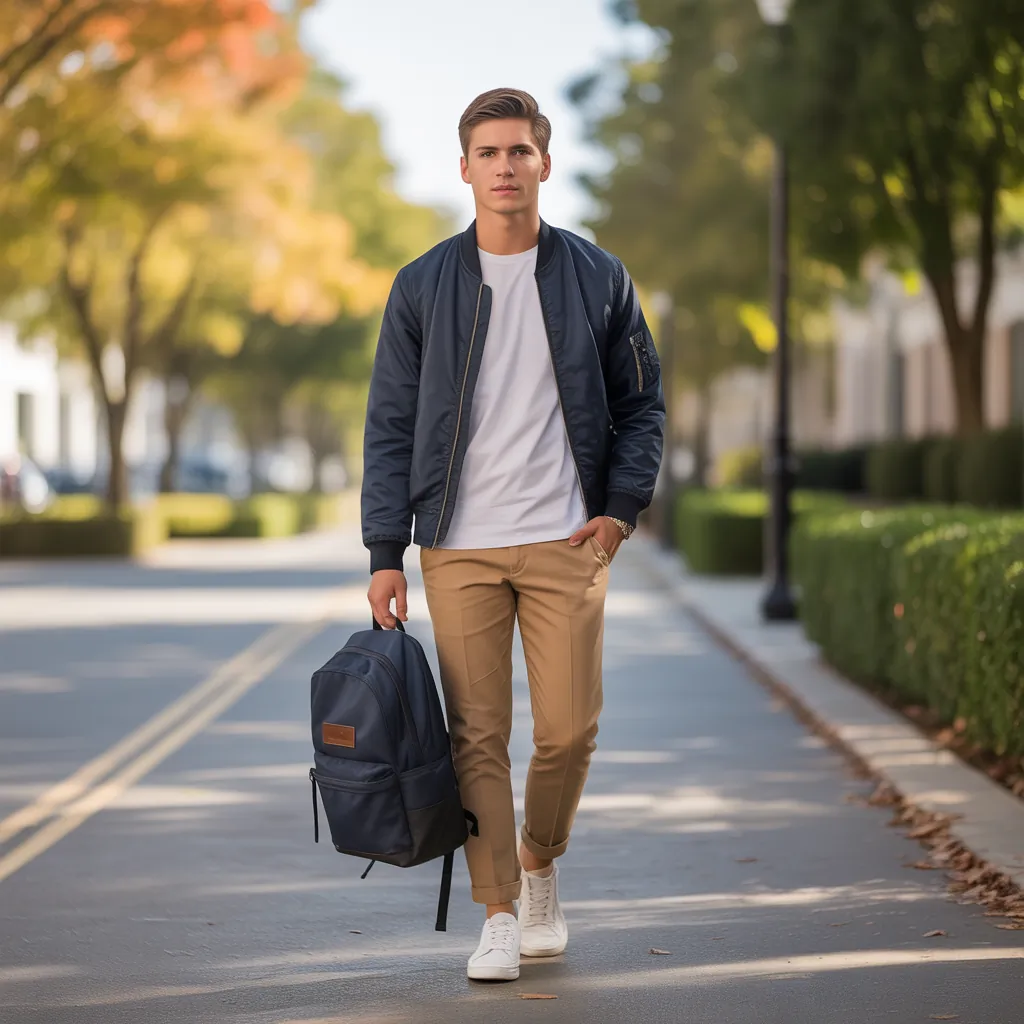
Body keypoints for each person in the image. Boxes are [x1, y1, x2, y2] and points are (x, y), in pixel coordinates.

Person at [362, 88, 665, 981]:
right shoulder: (421, 285)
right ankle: (498, 911)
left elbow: (642, 402)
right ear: (465, 168)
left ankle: (539, 861)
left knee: (568, 733)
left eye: (519, 152)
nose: (504, 167)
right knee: (476, 737)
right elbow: (389, 423)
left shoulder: (598, 276)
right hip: (456, 542)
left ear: (543, 163)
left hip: (568, 539)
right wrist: (386, 552)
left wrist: (619, 509)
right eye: (488, 153)